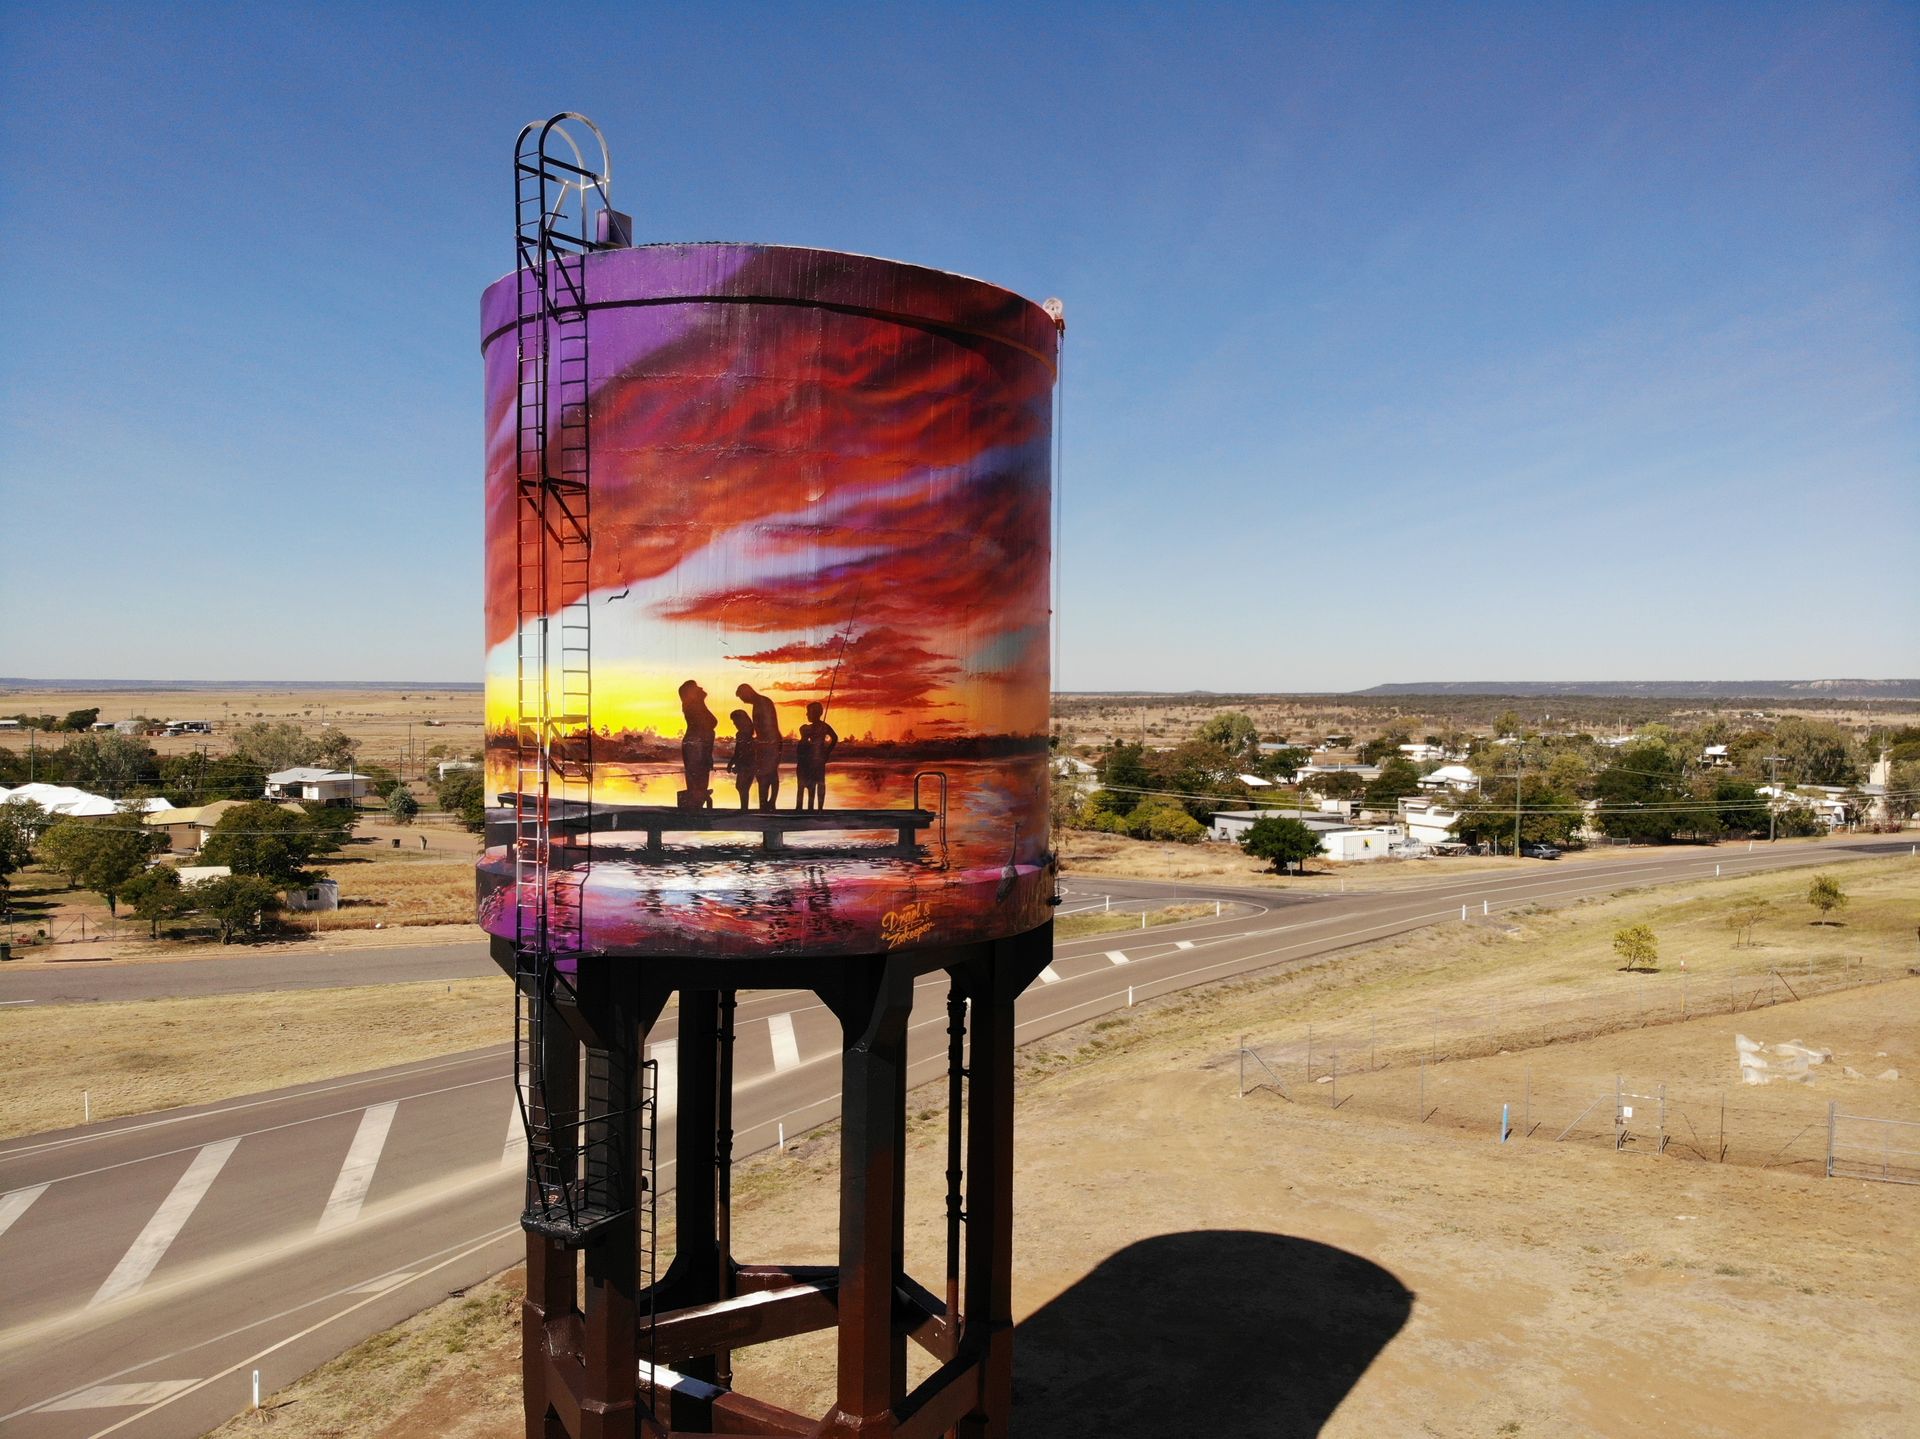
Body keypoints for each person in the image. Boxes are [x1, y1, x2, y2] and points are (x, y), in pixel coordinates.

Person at [735, 683, 783, 811]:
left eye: (742, 697)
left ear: (747, 692)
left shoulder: (762, 702)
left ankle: (770, 802)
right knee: (764, 775)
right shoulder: (758, 703)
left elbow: (769, 727)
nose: (743, 701)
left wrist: (763, 742)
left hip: (770, 743)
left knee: (770, 774)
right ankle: (765, 804)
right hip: (764, 743)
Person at [678, 679, 717, 808]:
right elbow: (706, 726)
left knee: (699, 780)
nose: (701, 688)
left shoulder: (697, 705)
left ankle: (696, 806)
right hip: (697, 747)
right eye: (697, 688)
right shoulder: (694, 706)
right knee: (697, 780)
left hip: (698, 746)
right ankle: (695, 808)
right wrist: (707, 754)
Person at [794, 701, 839, 811]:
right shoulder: (813, 727)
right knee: (814, 783)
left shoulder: (822, 726)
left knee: (817, 783)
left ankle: (816, 809)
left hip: (817, 758)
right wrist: (826, 752)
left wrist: (827, 752)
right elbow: (834, 738)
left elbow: (835, 738)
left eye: (808, 712)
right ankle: (810, 809)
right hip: (814, 758)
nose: (807, 714)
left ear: (815, 713)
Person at [725, 710, 755, 812]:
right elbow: (737, 751)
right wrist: (731, 763)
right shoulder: (740, 734)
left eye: (735, 721)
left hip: (748, 764)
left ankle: (744, 808)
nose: (734, 724)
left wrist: (735, 764)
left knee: (742, 786)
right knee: (742, 787)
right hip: (745, 764)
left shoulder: (745, 735)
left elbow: (744, 753)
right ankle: (744, 808)